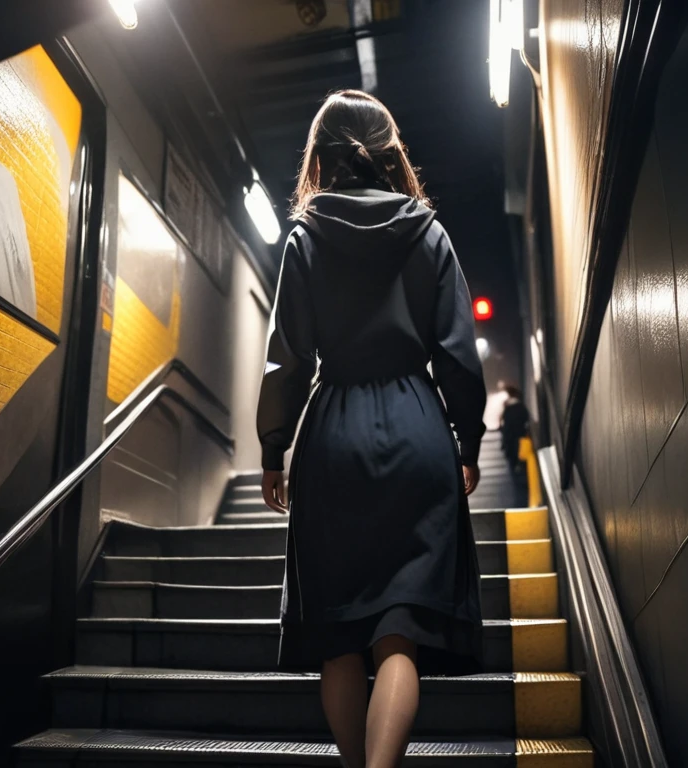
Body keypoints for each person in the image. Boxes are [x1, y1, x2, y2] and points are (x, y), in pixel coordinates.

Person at [257, 89, 487, 768]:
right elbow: (456, 350)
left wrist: (275, 447)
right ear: (388, 152)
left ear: (321, 157)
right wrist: (466, 440)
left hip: (333, 437)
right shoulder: (427, 231)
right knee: (398, 639)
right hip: (417, 428)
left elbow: (288, 356)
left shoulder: (304, 236)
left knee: (340, 641)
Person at [498, 384, 531, 503]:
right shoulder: (522, 408)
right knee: (523, 476)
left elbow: (506, 430)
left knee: (516, 478)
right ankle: (523, 502)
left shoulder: (509, 410)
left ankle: (520, 502)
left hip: (513, 447)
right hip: (522, 446)